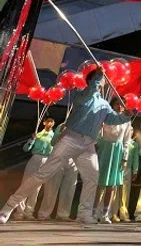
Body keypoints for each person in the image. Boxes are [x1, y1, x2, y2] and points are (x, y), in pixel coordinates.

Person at [0, 68, 130, 224]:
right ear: (93, 81)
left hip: (88, 144)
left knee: (92, 177)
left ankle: (84, 213)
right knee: (44, 174)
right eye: (100, 79)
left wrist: (125, 116)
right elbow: (91, 89)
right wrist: (98, 75)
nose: (104, 80)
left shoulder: (104, 104)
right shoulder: (83, 95)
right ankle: (9, 206)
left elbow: (112, 120)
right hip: (71, 138)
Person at [95, 98, 132, 223]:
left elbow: (127, 140)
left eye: (122, 105)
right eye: (117, 104)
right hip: (105, 149)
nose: (120, 107)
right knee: (100, 184)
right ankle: (94, 211)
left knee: (111, 185)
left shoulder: (126, 121)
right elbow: (99, 134)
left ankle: (106, 213)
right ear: (112, 105)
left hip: (117, 151)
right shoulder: (106, 117)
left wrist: (125, 157)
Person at [15, 117, 57, 220]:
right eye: (48, 121)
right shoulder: (38, 135)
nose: (50, 123)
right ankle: (19, 211)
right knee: (25, 184)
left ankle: (29, 212)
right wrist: (32, 139)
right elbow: (26, 149)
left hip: (47, 160)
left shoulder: (55, 136)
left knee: (37, 187)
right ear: (44, 123)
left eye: (52, 122)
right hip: (35, 158)